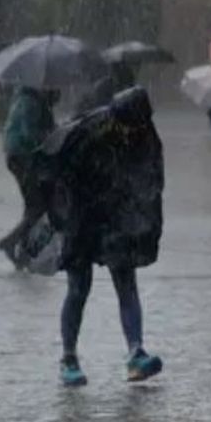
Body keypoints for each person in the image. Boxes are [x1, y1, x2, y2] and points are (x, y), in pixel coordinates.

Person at [40, 87, 164, 387]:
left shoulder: (144, 134)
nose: (131, 131)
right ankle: (68, 357)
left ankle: (136, 352)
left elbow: (151, 179)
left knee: (126, 283)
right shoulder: (87, 133)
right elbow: (60, 176)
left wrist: (141, 219)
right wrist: (64, 218)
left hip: (119, 217)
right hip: (82, 216)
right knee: (79, 288)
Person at [0, 86, 59, 268]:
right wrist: (46, 139)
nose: (57, 100)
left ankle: (24, 251)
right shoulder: (30, 103)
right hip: (22, 157)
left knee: (35, 205)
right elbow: (28, 133)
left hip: (18, 156)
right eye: (55, 95)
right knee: (39, 207)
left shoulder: (28, 99)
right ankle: (11, 243)